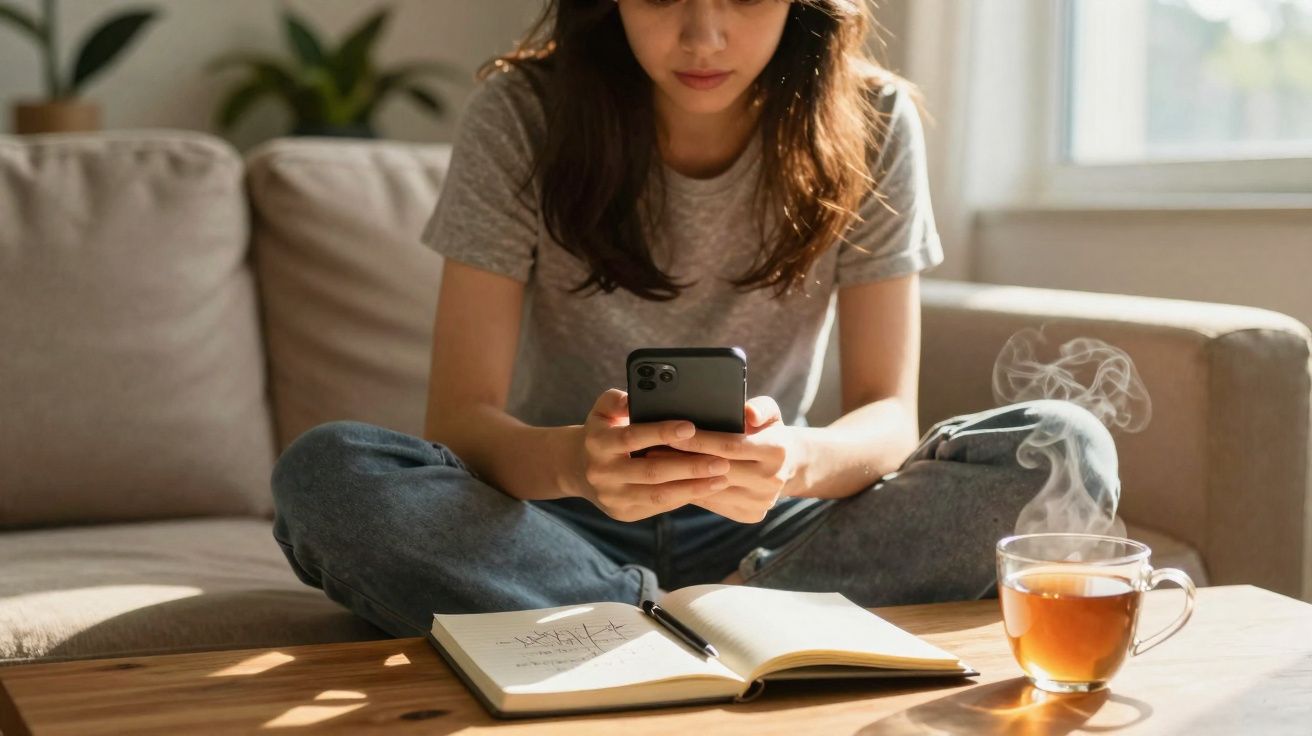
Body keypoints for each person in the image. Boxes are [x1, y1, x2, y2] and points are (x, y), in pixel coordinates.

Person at [270, 0, 1117, 639]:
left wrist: (794, 461)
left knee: (1062, 447)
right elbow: (460, 420)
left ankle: (652, 621)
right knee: (327, 475)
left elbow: (889, 416)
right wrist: (577, 463)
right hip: (555, 521)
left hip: (777, 520)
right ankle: (705, 620)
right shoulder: (522, 113)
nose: (702, 37)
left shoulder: (874, 118)